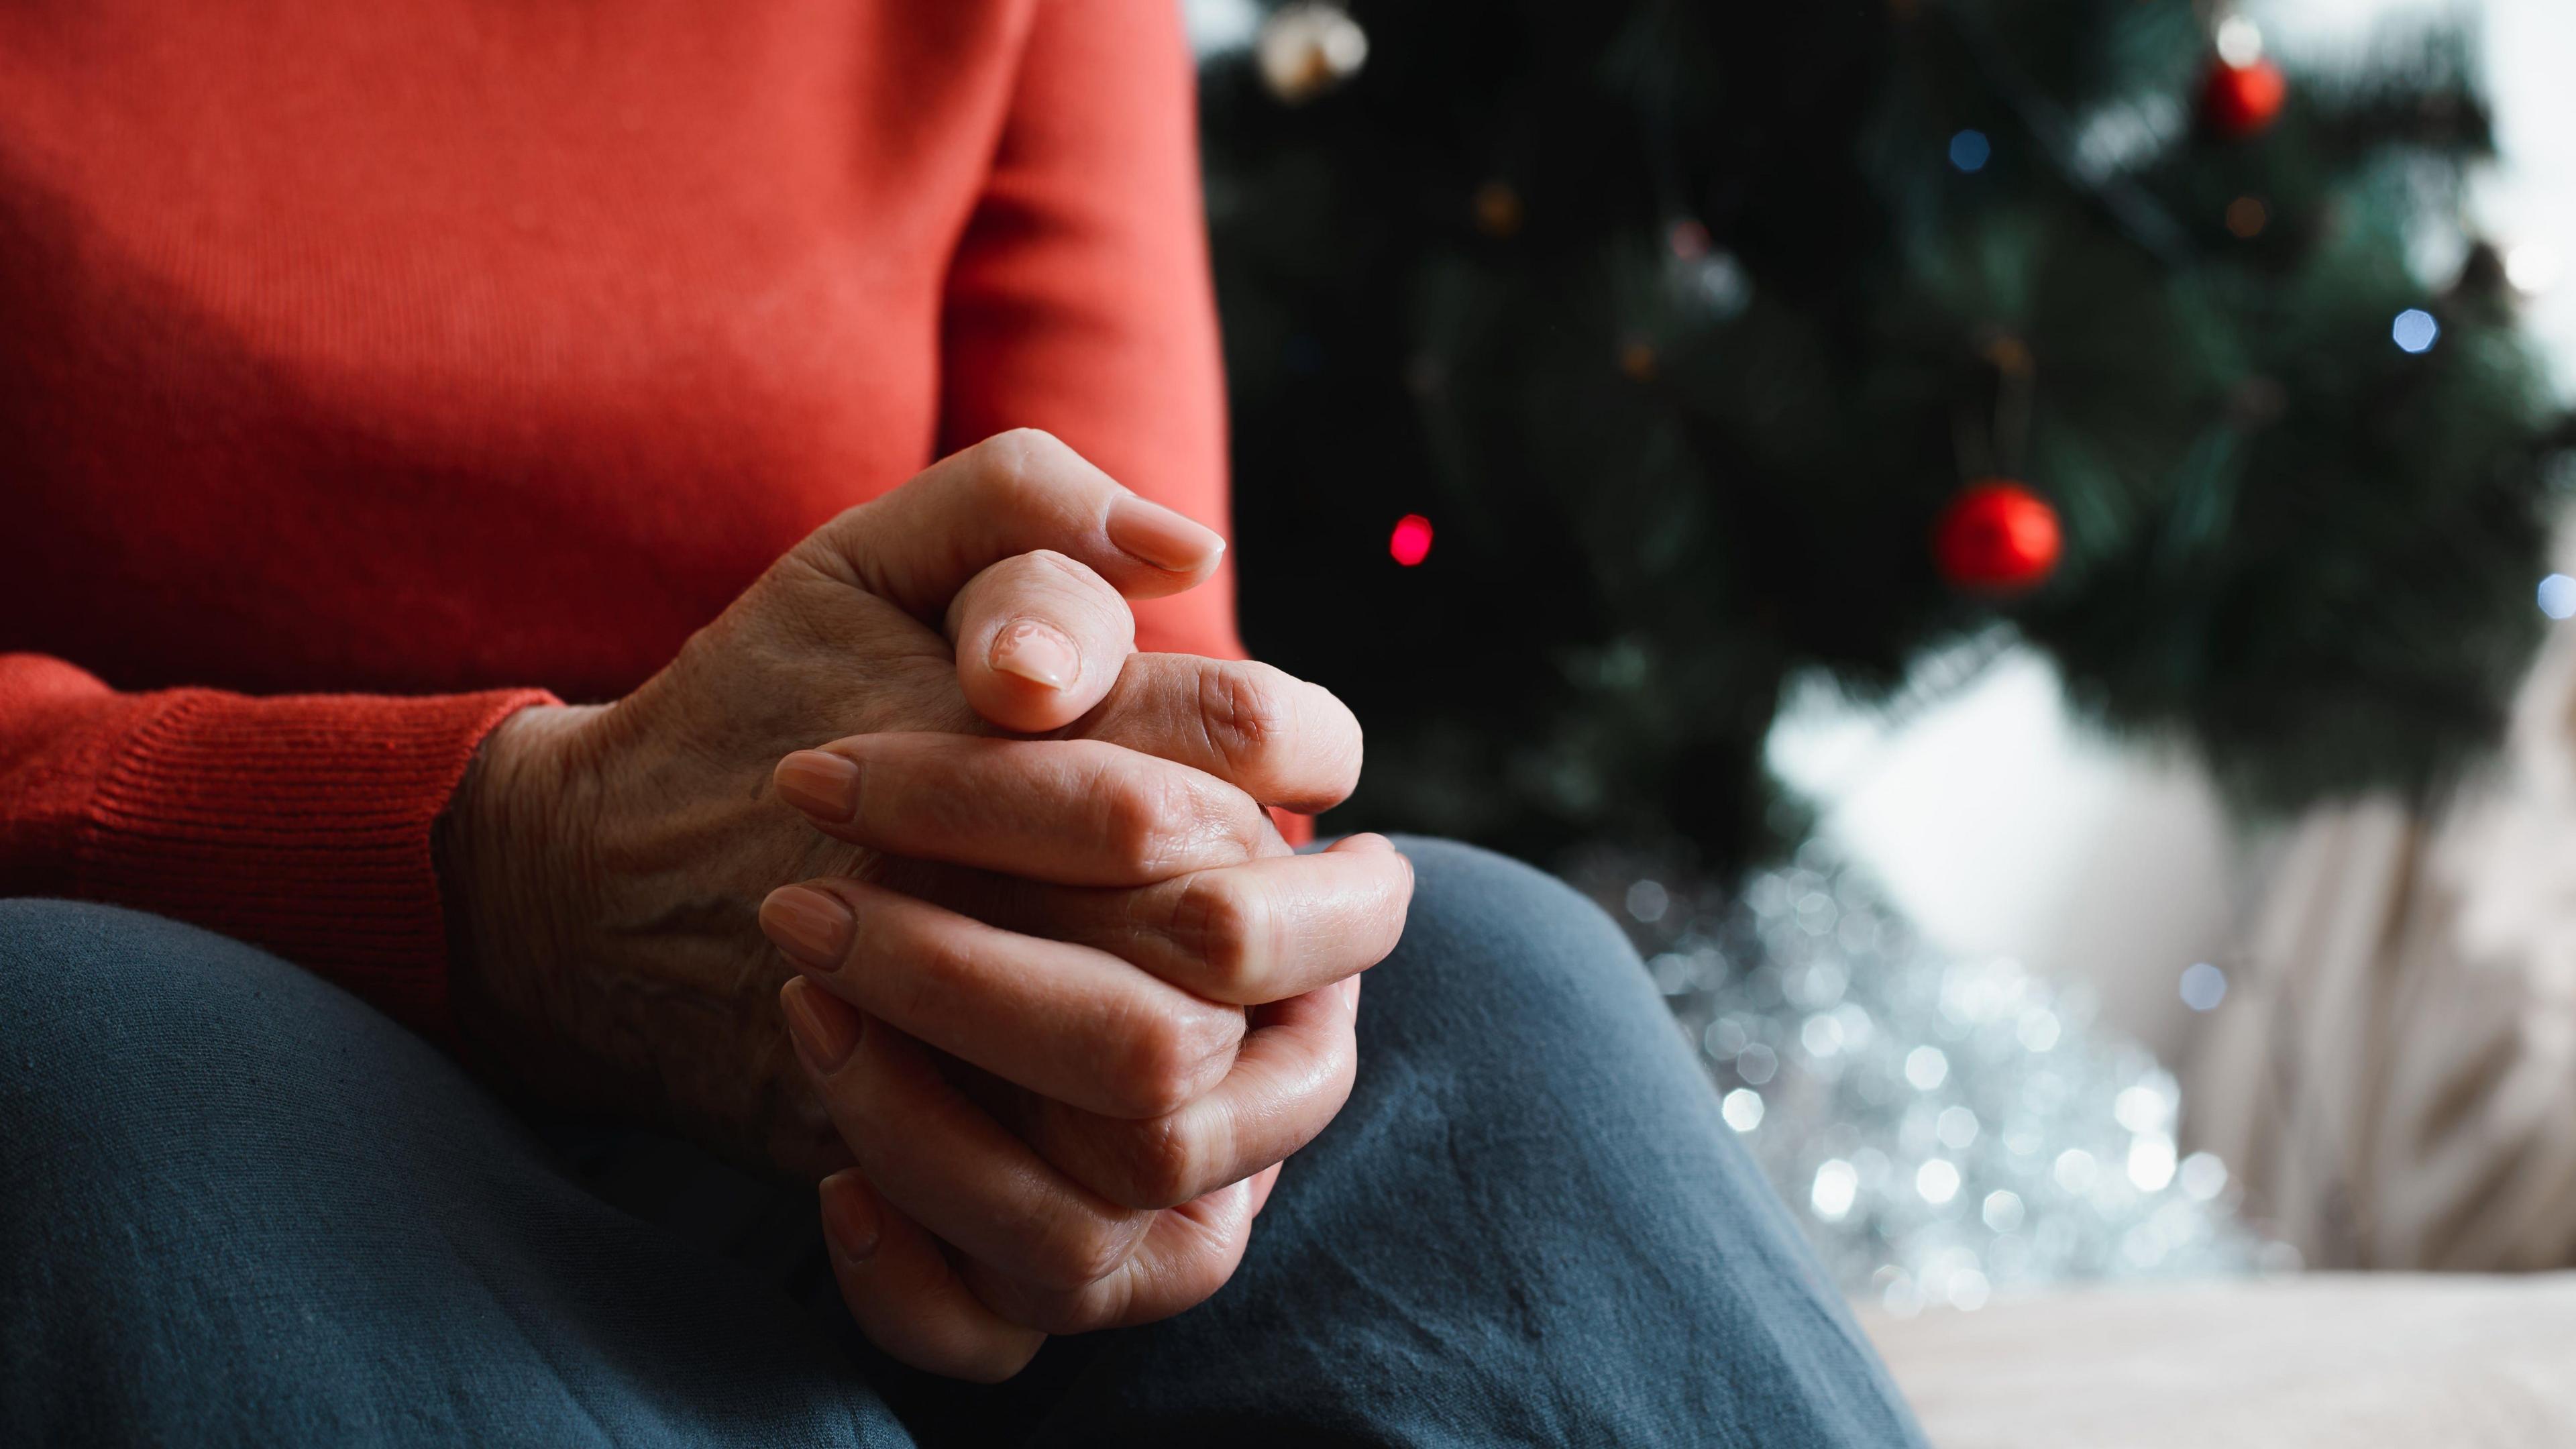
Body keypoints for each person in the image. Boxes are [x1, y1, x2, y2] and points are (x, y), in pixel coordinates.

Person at [0, 1, 1927, 1442]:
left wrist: (1145, 958)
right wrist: (497, 868)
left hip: (836, 1025)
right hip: (183, 974)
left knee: (1484, 982)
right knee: (100, 1063)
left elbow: (1145, 626)